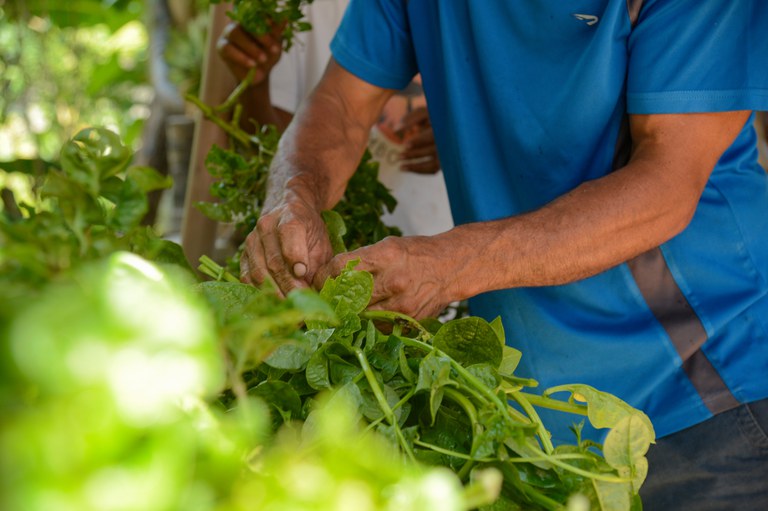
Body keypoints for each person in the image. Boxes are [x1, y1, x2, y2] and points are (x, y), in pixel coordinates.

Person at [239, 1, 768, 508]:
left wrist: (447, 265)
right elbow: (341, 105)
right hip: (530, 413)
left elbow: (667, 185)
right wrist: (294, 193)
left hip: (702, 392)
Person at [180, 0, 452, 267]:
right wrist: (254, 82)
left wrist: (459, 134)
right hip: (326, 252)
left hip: (447, 241)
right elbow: (272, 142)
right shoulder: (292, 8)